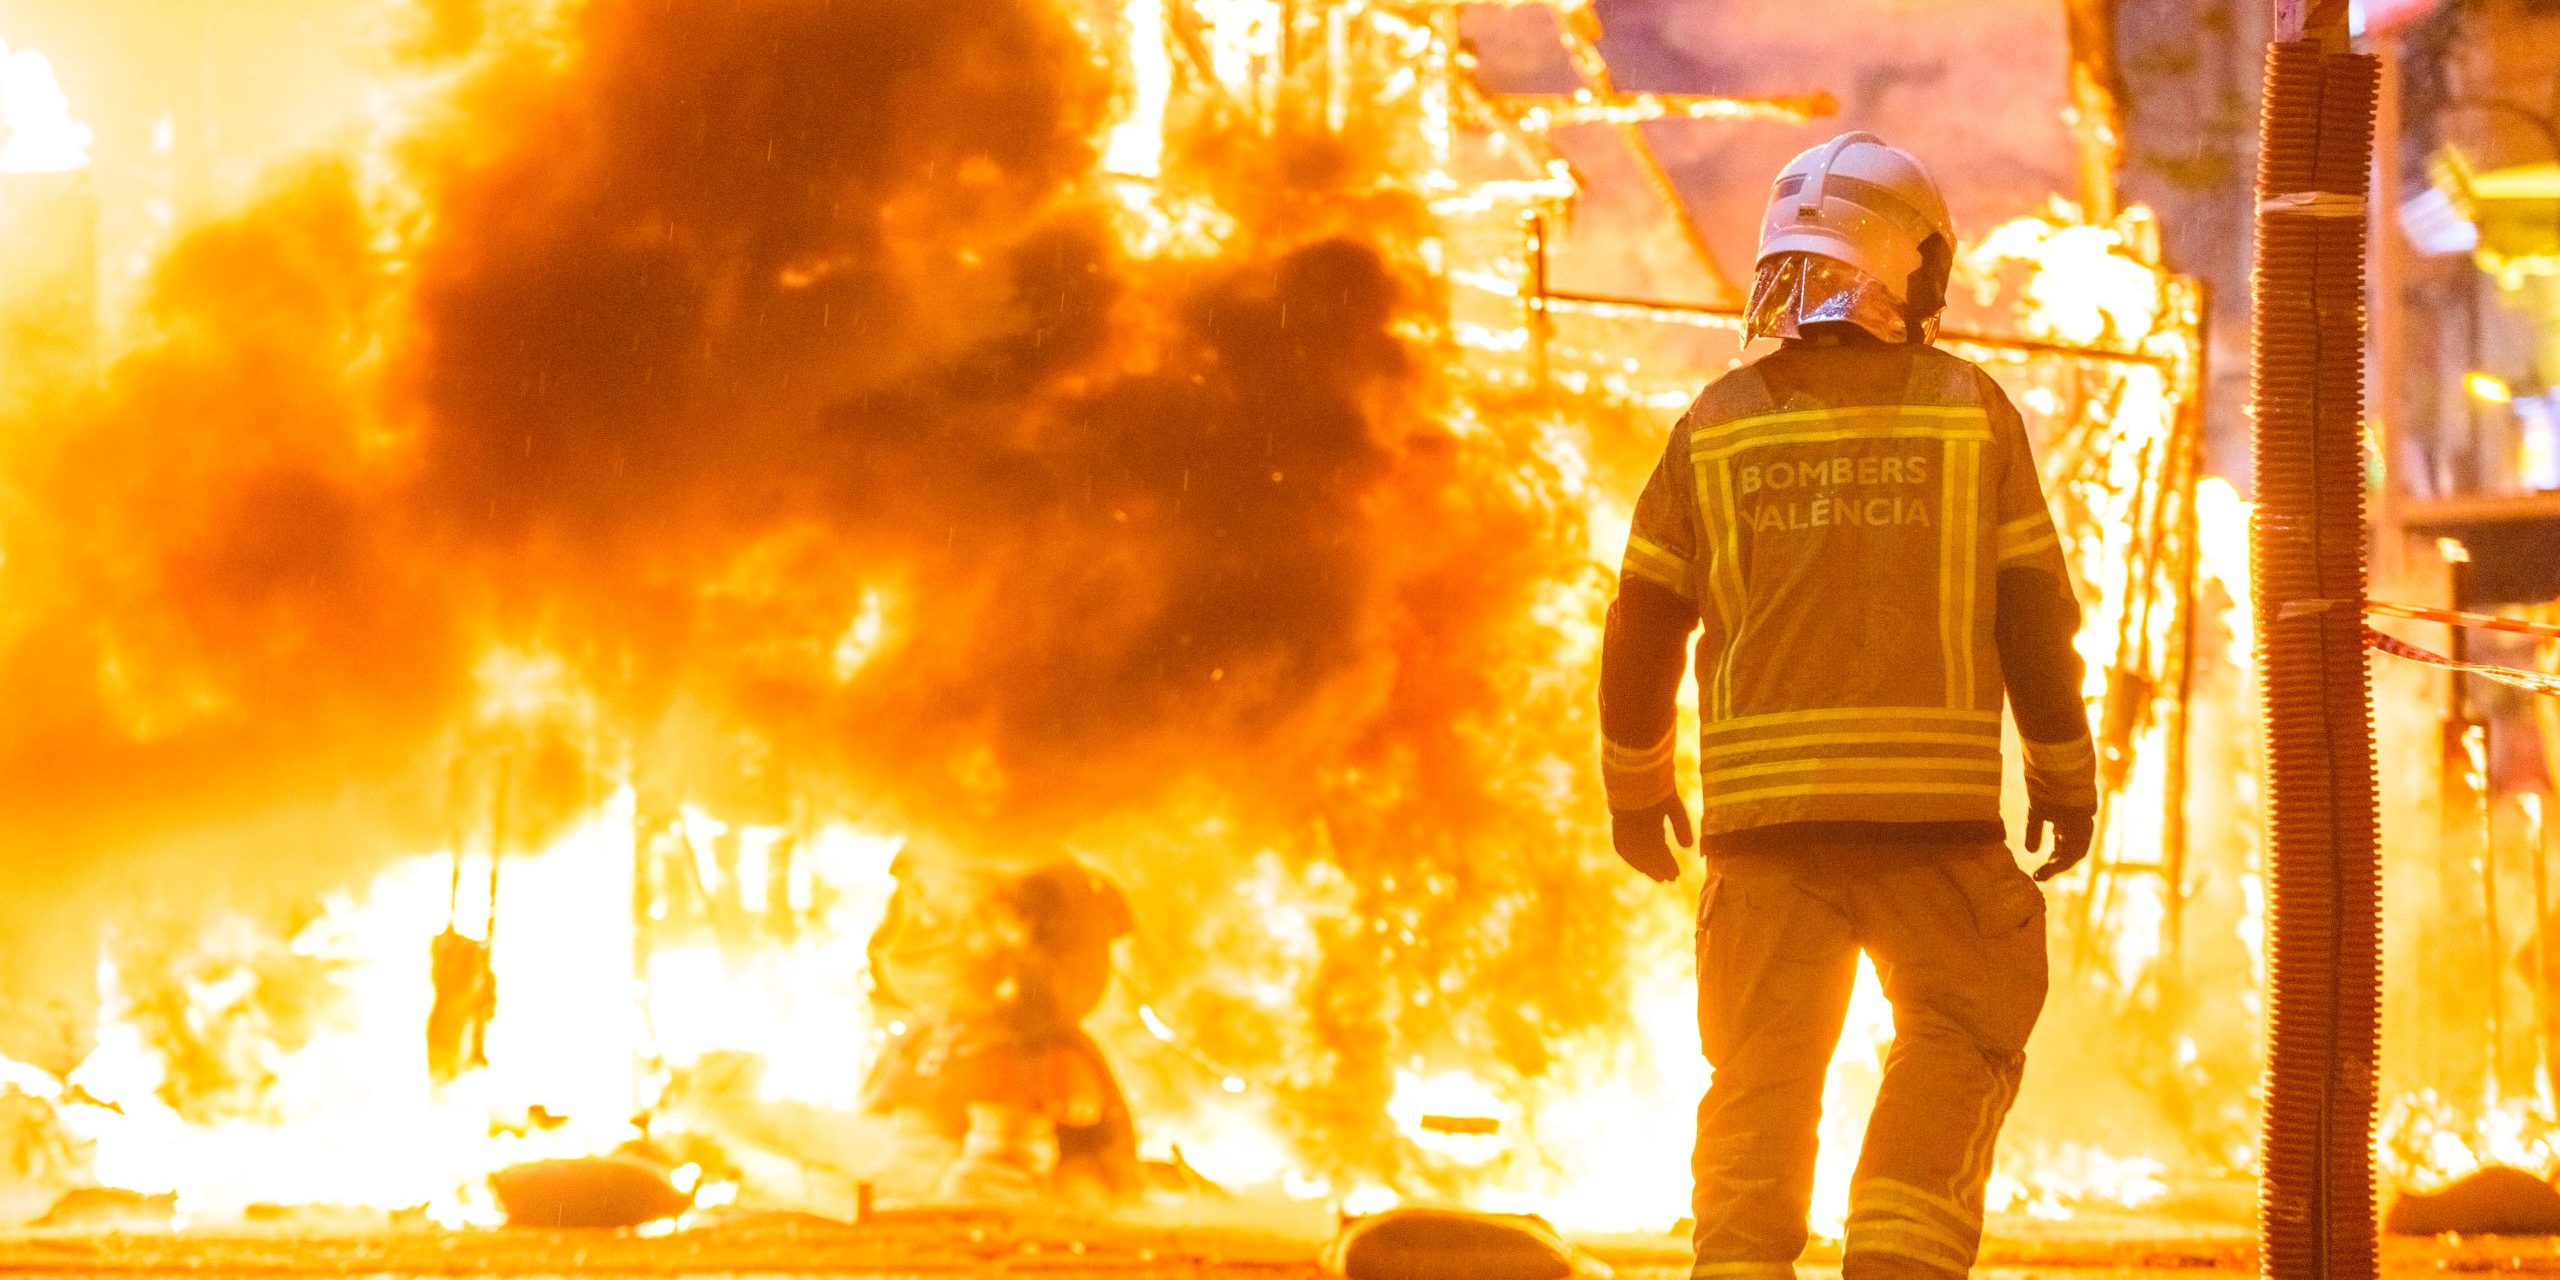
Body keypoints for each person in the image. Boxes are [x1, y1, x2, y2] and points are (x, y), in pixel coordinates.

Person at [1598, 132, 2098, 1280]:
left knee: (1758, 1082)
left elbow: (1641, 624)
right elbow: (2034, 619)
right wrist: (2063, 777)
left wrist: (1636, 786)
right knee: (1958, 1035)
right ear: (1901, 263)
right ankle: (1894, 1261)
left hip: (1763, 841)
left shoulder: (1715, 424)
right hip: (1935, 833)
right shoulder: (1970, 411)